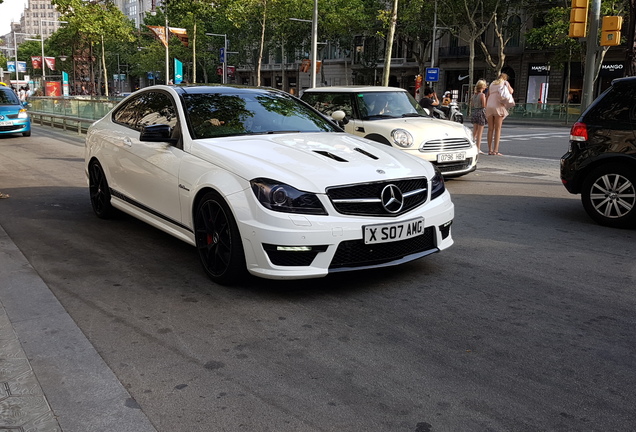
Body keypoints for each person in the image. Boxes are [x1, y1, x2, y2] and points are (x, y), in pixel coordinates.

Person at [485, 73, 514, 155]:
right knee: (497, 129)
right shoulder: (505, 83)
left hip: (490, 105)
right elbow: (511, 91)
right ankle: (495, 150)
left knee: (490, 129)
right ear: (505, 78)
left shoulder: (492, 84)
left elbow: (488, 95)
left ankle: (489, 150)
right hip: (498, 105)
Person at [470, 80, 488, 154]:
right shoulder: (482, 95)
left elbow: (472, 105)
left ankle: (471, 146)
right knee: (480, 133)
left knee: (475, 132)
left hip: (475, 112)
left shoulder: (474, 95)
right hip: (481, 112)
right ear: (483, 87)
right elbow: (484, 105)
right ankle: (478, 148)